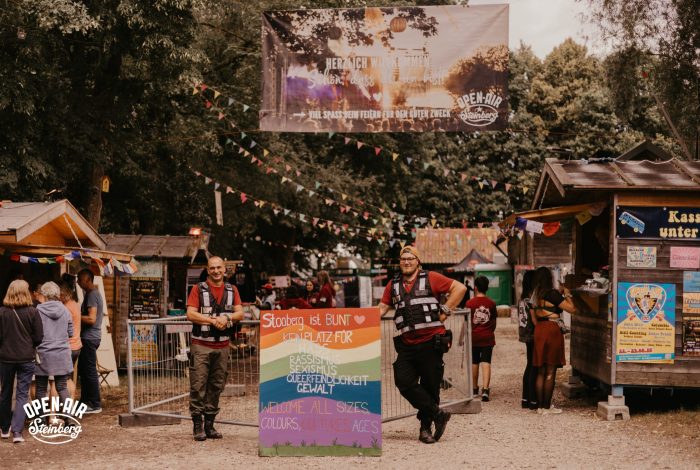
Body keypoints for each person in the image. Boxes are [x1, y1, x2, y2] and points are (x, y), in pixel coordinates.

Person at [378, 246, 467, 444]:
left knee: (430, 386)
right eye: (403, 259)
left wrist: (445, 311)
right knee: (403, 381)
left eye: (410, 259)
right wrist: (357, 320)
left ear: (418, 261)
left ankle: (425, 429)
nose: (406, 262)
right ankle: (438, 414)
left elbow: (460, 288)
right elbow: (382, 308)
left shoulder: (431, 278)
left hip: (431, 342)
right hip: (407, 344)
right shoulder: (393, 284)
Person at [186, 256, 243, 441]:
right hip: (201, 345)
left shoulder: (232, 289)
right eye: (212, 268)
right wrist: (212, 321)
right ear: (207, 269)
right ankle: (197, 425)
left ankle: (210, 425)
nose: (216, 271)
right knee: (198, 384)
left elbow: (240, 312)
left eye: (219, 268)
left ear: (224, 269)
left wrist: (227, 318)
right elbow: (190, 313)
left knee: (217, 385)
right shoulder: (198, 288)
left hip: (223, 345)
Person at [0, 280, 43, 443]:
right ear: (26, 292)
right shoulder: (33, 312)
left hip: (5, 358)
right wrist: (28, 344)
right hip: (26, 358)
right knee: (22, 395)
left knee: (5, 392)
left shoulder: (2, 312)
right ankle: (17, 432)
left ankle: (4, 429)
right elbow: (39, 337)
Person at [531, 266, 578, 415]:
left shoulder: (535, 295)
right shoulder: (552, 294)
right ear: (549, 278)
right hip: (551, 330)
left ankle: (540, 407)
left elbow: (534, 315)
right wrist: (567, 294)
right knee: (550, 370)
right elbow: (572, 309)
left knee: (541, 371)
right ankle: (546, 407)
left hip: (539, 329)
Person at [34, 282, 74, 420]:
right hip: (62, 354)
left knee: (40, 388)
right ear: (57, 295)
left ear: (44, 295)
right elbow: (70, 333)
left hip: (43, 354)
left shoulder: (37, 311)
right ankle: (69, 419)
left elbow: (35, 334)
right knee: (62, 386)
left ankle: (41, 421)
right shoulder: (65, 311)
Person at [77, 268, 104, 414]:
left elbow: (91, 318)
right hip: (89, 337)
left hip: (90, 337)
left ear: (87, 280)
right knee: (84, 370)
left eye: (80, 279)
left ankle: (95, 403)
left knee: (89, 371)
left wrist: (75, 315)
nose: (78, 282)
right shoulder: (90, 294)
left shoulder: (92, 295)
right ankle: (85, 401)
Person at [467, 276, 497, 402]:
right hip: (487, 337)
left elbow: (467, 322)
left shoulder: (469, 303)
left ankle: (474, 389)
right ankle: (485, 390)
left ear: (475, 288)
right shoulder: (491, 303)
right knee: (486, 362)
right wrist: (489, 331)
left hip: (473, 337)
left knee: (474, 362)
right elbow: (494, 322)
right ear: (487, 288)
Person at [59, 274, 82, 398]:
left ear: (65, 294)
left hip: (68, 346)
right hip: (76, 345)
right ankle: (69, 404)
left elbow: (62, 330)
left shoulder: (66, 308)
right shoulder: (75, 304)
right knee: (68, 377)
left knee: (64, 380)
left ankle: (68, 405)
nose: (59, 298)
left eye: (60, 295)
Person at [517, 270, 537, 410]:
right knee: (533, 366)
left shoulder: (522, 298)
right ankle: (533, 399)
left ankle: (525, 398)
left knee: (529, 364)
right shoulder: (530, 300)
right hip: (532, 333)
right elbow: (534, 320)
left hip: (525, 333)